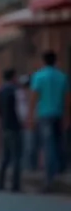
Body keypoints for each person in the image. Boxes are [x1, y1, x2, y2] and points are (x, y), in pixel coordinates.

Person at [29, 51, 70, 192]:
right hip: (59, 115)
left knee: (48, 147)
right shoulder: (62, 77)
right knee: (59, 145)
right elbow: (67, 100)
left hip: (45, 116)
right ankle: (59, 172)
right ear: (55, 60)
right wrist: (67, 117)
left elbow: (34, 98)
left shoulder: (39, 76)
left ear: (43, 61)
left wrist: (30, 117)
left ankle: (49, 179)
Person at [0, 69, 22, 192]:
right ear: (13, 77)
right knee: (16, 156)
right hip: (15, 125)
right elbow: (20, 109)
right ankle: (15, 185)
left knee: (6, 156)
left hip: (5, 126)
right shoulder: (15, 91)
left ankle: (0, 183)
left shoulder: (0, 91)